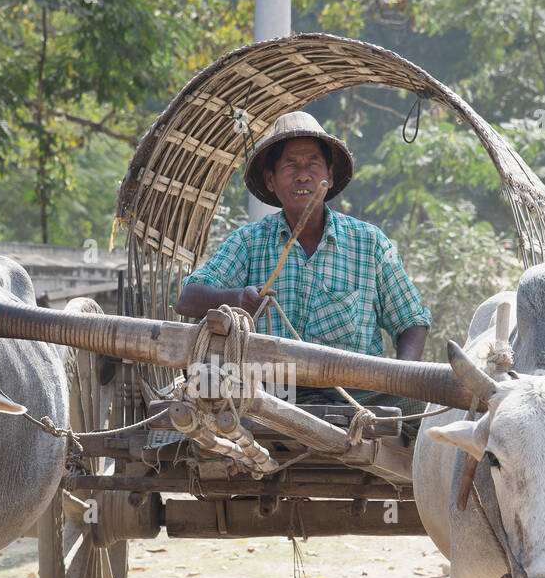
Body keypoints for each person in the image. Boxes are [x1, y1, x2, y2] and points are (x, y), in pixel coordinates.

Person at [174, 111, 430, 436]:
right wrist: (236, 298)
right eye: (291, 166)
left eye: (313, 165)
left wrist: (402, 376)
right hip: (268, 390)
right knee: (207, 387)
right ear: (271, 181)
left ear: (330, 177)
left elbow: (411, 321)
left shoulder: (370, 243)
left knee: (418, 400)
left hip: (355, 394)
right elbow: (188, 298)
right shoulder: (250, 241)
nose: (303, 176)